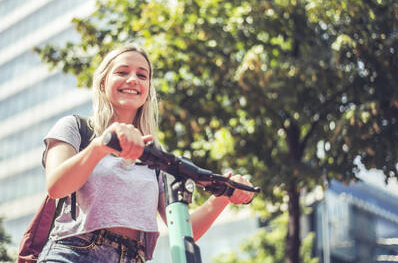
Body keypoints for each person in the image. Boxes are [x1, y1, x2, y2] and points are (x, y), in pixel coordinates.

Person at [37, 44, 255, 263]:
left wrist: (224, 197)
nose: (133, 79)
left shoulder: (155, 157)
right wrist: (101, 146)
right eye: (122, 72)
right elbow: (56, 186)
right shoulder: (76, 128)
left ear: (148, 89)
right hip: (74, 253)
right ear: (103, 83)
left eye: (142, 75)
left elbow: (182, 229)